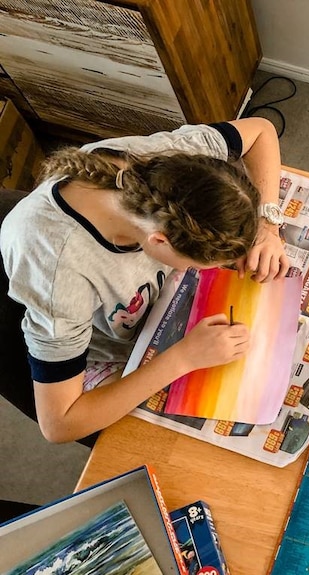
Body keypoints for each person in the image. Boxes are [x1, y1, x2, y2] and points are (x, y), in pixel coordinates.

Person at [0, 117, 290, 443]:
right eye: (207, 263)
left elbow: (261, 131)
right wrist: (182, 359)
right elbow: (59, 425)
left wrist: (267, 224)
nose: (216, 269)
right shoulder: (59, 271)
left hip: (153, 306)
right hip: (109, 348)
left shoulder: (175, 161)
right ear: (158, 242)